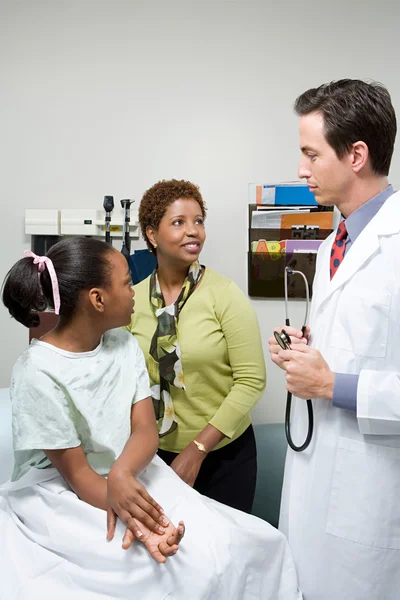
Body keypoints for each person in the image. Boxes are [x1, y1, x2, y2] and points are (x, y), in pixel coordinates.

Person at [0, 237, 301, 600]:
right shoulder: (37, 371)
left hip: (133, 468)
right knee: (148, 572)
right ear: (98, 299)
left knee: (246, 544)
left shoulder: (122, 344)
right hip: (63, 488)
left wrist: (124, 474)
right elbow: (78, 475)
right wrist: (144, 523)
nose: (134, 293)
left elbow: (145, 430)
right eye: (127, 283)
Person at [269, 79, 400, 600]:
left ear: (356, 155)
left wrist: (331, 384)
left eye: (310, 154)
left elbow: (343, 375)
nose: (301, 170)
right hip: (313, 481)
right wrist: (304, 346)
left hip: (371, 498)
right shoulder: (333, 246)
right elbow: (354, 342)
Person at [126, 179, 265, 513]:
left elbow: (251, 380)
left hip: (224, 457)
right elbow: (127, 381)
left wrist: (198, 449)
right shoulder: (132, 301)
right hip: (153, 458)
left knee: (225, 556)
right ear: (151, 234)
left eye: (198, 221)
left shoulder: (225, 294)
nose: (193, 231)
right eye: (179, 222)